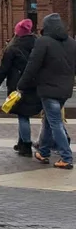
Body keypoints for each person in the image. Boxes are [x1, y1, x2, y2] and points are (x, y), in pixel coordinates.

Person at [18, 13, 76, 170]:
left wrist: (22, 84)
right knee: (51, 122)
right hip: (65, 90)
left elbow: (32, 65)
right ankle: (43, 152)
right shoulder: (71, 42)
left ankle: (66, 157)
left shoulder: (43, 42)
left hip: (48, 89)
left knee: (55, 122)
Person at [0, 19, 41, 156]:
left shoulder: (13, 48)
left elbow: (4, 69)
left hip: (18, 86)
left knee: (23, 116)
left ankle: (25, 145)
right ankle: (21, 142)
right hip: (35, 85)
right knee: (26, 114)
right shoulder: (38, 44)